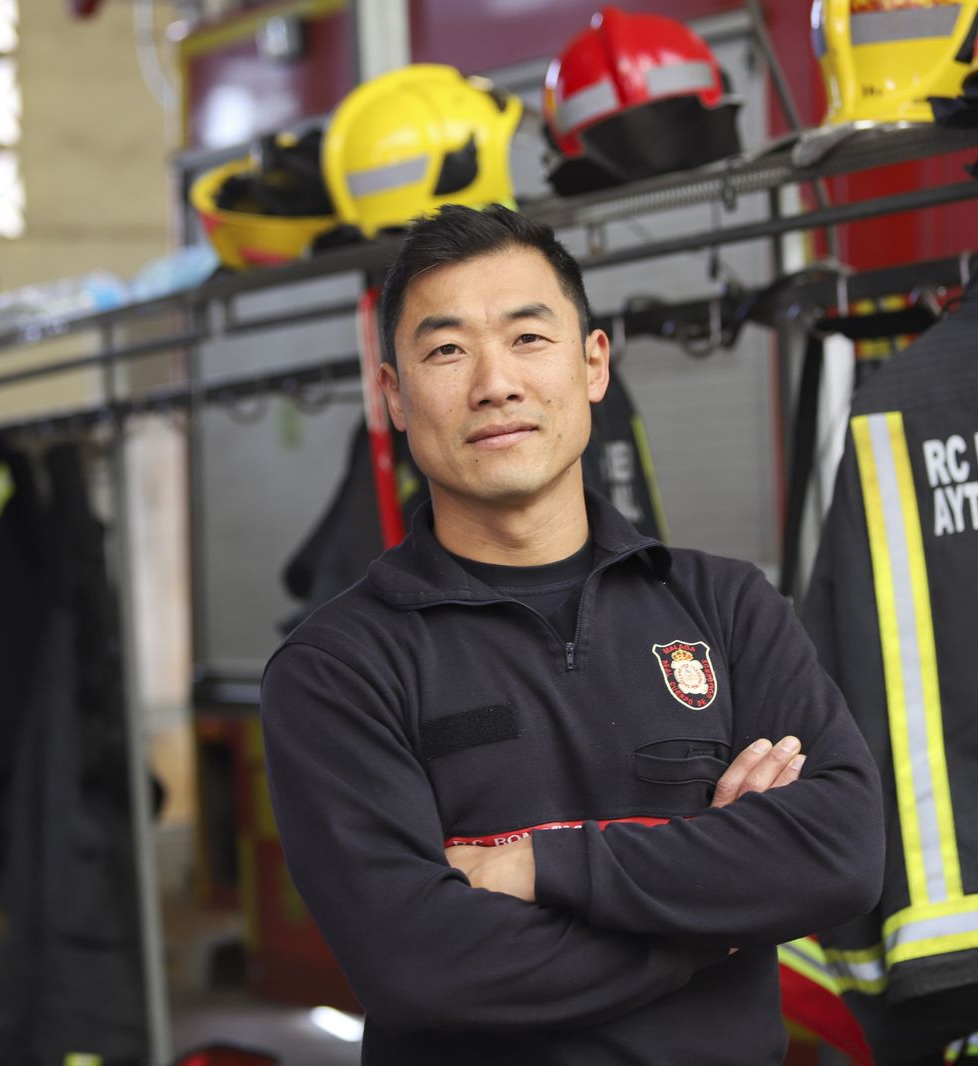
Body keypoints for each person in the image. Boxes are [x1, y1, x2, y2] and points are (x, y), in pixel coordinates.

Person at [260, 204, 883, 1065]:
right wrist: (715, 921)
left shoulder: (729, 609)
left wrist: (537, 869)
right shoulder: (336, 669)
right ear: (395, 397)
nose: (494, 383)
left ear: (593, 365)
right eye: (446, 350)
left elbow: (840, 851)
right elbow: (422, 965)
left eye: (527, 338)